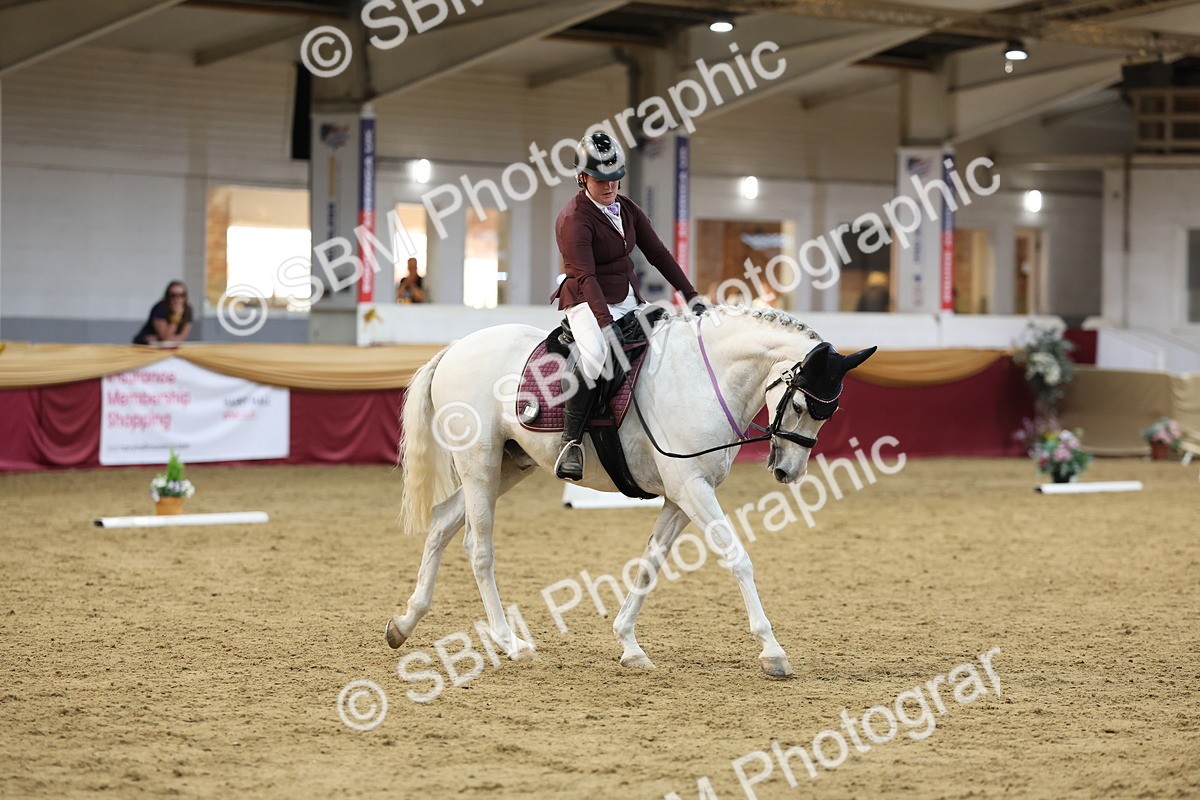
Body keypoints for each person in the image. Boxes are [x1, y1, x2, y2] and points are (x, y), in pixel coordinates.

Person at [550, 131, 708, 481]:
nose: (610, 186)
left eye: (615, 178)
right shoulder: (574, 219)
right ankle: (571, 441)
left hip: (627, 296)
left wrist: (691, 295)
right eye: (600, 179)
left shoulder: (627, 208)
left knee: (666, 337)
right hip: (586, 300)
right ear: (582, 178)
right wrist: (606, 325)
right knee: (597, 356)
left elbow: (658, 254)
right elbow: (586, 277)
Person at [133, 281, 193, 345]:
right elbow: (165, 337)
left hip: (166, 345)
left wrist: (164, 340)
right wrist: (176, 315)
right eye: (173, 295)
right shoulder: (160, 308)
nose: (177, 299)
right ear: (167, 296)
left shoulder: (187, 310)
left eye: (181, 295)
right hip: (145, 345)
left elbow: (182, 337)